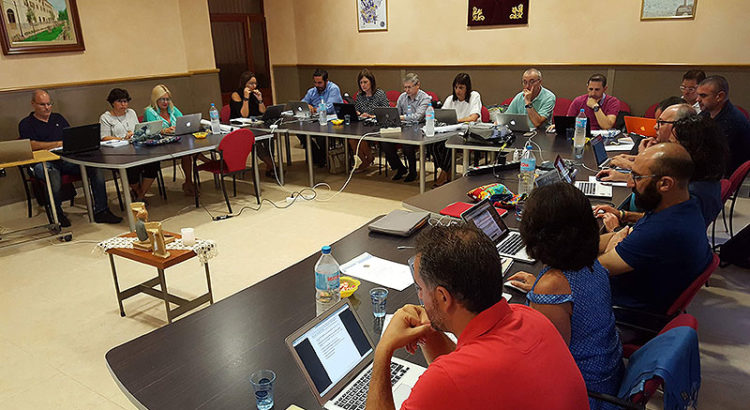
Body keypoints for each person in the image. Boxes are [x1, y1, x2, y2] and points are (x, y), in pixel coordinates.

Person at [366, 225, 589, 409]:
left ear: (444, 298)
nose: (420, 297)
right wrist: (430, 327)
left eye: (420, 288)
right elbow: (463, 379)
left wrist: (383, 350)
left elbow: (454, 379)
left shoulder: (444, 380)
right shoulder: (530, 316)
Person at [507, 183, 624, 409]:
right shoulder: (590, 261)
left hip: (584, 393)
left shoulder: (552, 287)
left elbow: (546, 362)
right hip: (610, 370)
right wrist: (540, 290)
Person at [598, 143, 713, 314]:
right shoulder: (685, 204)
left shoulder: (660, 232)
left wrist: (613, 243)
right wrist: (623, 216)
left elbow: (594, 270)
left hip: (622, 310)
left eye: (636, 177)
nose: (629, 183)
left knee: (555, 278)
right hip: (642, 286)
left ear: (665, 184)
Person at [596, 114, 726, 229]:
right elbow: (658, 219)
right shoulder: (701, 180)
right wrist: (623, 215)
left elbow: (661, 227)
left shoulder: (688, 194)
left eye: (672, 143)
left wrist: (616, 230)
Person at [18, 89, 122, 227]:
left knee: (94, 167)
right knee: (52, 174)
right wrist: (55, 144)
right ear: (33, 104)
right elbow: (30, 145)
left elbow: (70, 137)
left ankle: (101, 210)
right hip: (43, 162)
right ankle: (57, 213)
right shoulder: (26, 123)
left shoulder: (58, 118)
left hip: (65, 158)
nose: (47, 107)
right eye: (42, 104)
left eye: (49, 104)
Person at [100, 88, 159, 203]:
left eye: (125, 101)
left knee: (154, 163)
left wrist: (136, 134)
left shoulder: (131, 113)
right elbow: (104, 137)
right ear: (112, 103)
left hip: (137, 147)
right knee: (132, 169)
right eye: (120, 101)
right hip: (118, 152)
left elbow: (138, 129)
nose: (124, 105)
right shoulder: (105, 117)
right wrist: (122, 138)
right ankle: (140, 193)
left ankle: (140, 195)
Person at [429, 73, 483, 187]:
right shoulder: (450, 99)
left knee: (449, 144)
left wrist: (456, 120)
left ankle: (444, 173)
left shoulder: (474, 96)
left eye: (461, 88)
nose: (458, 91)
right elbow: (442, 115)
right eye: (456, 87)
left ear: (467, 88)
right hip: (451, 130)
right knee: (433, 145)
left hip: (469, 132)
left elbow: (473, 117)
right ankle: (447, 170)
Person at [608, 101, 694, 169]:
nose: (655, 127)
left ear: (678, 126)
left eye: (661, 122)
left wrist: (641, 159)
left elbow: (659, 177)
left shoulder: (683, 154)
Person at [143, 84, 196, 195]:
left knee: (188, 153)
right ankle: (208, 162)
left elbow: (183, 121)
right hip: (158, 146)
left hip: (176, 142)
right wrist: (164, 131)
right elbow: (152, 131)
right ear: (155, 99)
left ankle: (188, 182)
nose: (165, 102)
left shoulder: (172, 109)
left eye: (167, 99)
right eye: (162, 99)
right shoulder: (149, 111)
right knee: (190, 151)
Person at [381, 73, 431, 182]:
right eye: (405, 87)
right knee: (385, 142)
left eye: (409, 87)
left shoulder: (425, 98)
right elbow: (396, 113)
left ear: (417, 85)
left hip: (419, 129)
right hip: (403, 127)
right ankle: (400, 168)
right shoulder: (402, 97)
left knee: (407, 144)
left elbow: (418, 117)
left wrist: (401, 117)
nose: (407, 90)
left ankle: (413, 172)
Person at [697, 75, 750, 175]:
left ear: (719, 96)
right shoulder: (707, 112)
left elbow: (713, 156)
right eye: (698, 95)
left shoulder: (732, 121)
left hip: (721, 174)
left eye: (703, 96)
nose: (697, 99)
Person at [228, 71, 277, 178]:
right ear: (244, 83)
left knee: (269, 137)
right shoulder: (236, 94)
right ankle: (273, 166)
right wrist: (246, 98)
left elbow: (263, 112)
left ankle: (270, 167)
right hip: (239, 126)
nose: (253, 86)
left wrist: (260, 100)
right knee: (255, 142)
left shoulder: (255, 94)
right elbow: (244, 115)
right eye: (250, 83)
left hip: (255, 124)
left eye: (255, 83)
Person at [300, 68, 343, 167]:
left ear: (326, 81)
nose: (317, 85)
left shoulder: (333, 89)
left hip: (332, 120)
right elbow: (302, 103)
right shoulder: (312, 91)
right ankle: (317, 156)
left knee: (321, 135)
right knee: (301, 133)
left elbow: (329, 108)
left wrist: (314, 109)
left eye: (320, 83)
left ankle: (323, 158)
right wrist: (306, 106)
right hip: (316, 120)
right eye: (315, 82)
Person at [352, 68, 389, 172]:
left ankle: (368, 159)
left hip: (376, 125)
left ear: (371, 82)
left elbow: (386, 112)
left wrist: (371, 116)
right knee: (351, 139)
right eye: (361, 82)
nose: (363, 85)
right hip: (362, 124)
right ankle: (364, 160)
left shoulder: (379, 94)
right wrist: (358, 113)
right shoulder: (360, 95)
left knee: (361, 137)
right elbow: (357, 109)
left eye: (365, 82)